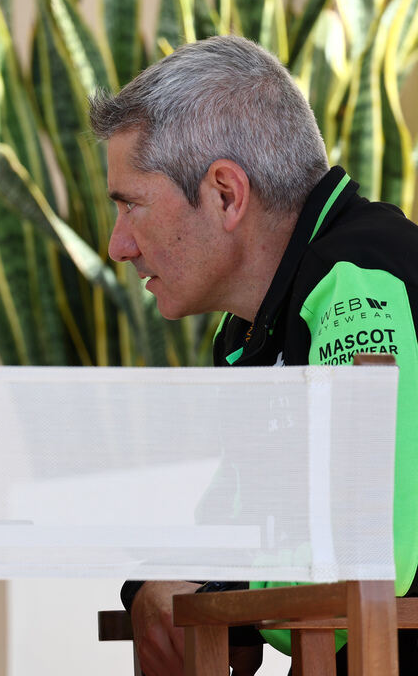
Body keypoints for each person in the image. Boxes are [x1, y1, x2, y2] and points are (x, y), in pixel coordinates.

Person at [91, 34, 418, 676]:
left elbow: (370, 558)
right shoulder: (249, 332)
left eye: (130, 205)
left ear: (225, 194)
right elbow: (230, 527)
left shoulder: (358, 278)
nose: (117, 245)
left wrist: (212, 595)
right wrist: (171, 587)